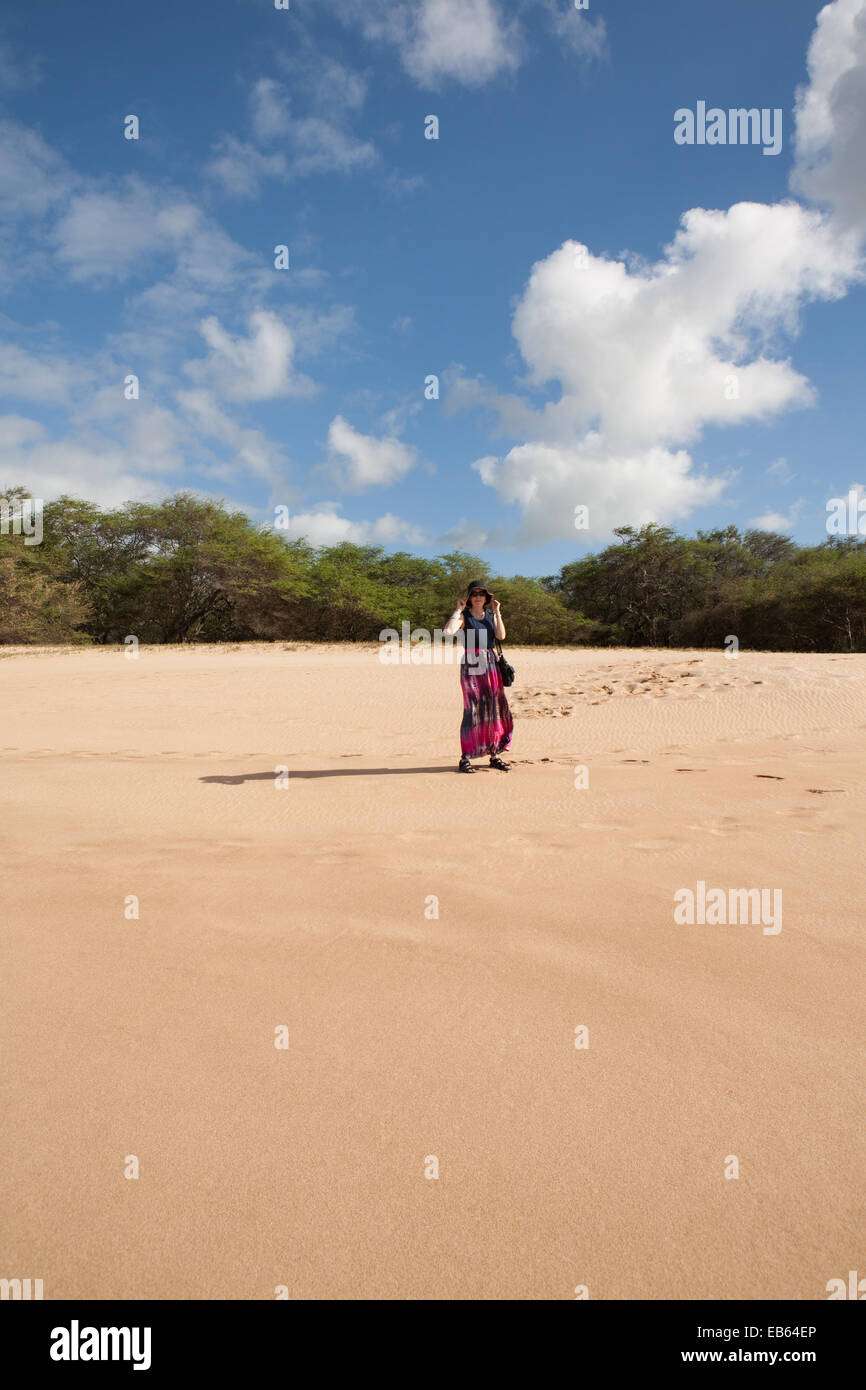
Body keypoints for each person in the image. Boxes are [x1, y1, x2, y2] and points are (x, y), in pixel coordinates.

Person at [443, 580, 513, 773]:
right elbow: (448, 631)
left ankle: (494, 754)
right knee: (472, 709)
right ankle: (465, 757)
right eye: (474, 594)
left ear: (486, 598)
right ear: (469, 597)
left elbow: (501, 636)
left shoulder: (491, 614)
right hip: (472, 662)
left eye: (482, 594)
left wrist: (498, 612)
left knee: (494, 709)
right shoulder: (464, 616)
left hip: (491, 663)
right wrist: (458, 610)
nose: (478, 597)